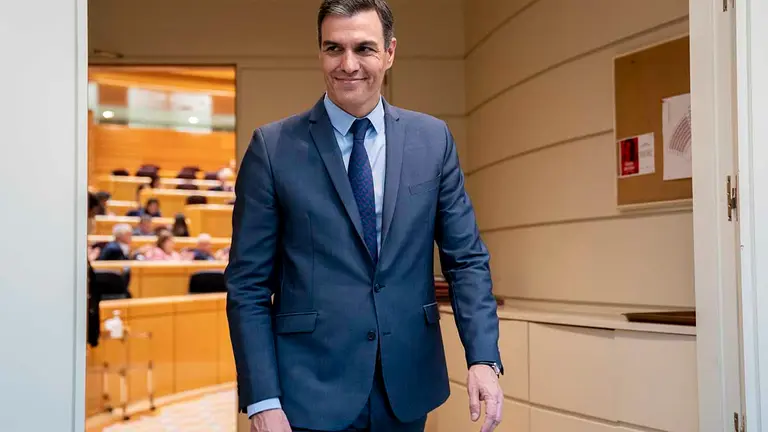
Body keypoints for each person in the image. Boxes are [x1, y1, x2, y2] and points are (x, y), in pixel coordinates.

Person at [226, 1, 504, 431]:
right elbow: (248, 284)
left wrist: (483, 357)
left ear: (390, 52)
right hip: (307, 391)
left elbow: (465, 259)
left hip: (407, 386)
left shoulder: (433, 140)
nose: (348, 64)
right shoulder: (272, 147)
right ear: (320, 52)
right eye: (333, 48)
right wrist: (262, 398)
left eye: (364, 48)